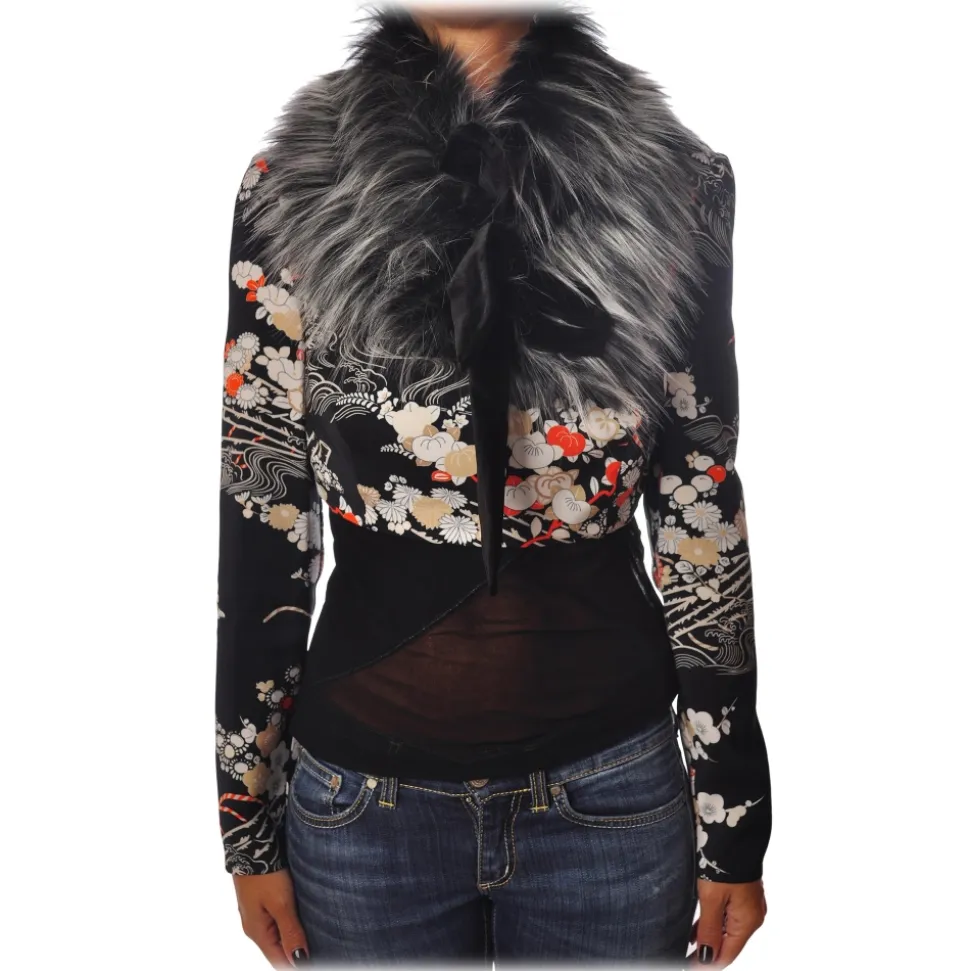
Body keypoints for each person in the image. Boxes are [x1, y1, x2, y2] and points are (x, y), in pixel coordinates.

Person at [215, 3, 771, 966]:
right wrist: (244, 816)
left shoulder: (677, 185)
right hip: (360, 812)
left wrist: (736, 815)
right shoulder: (296, 185)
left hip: (614, 801)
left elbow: (700, 505)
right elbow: (262, 505)